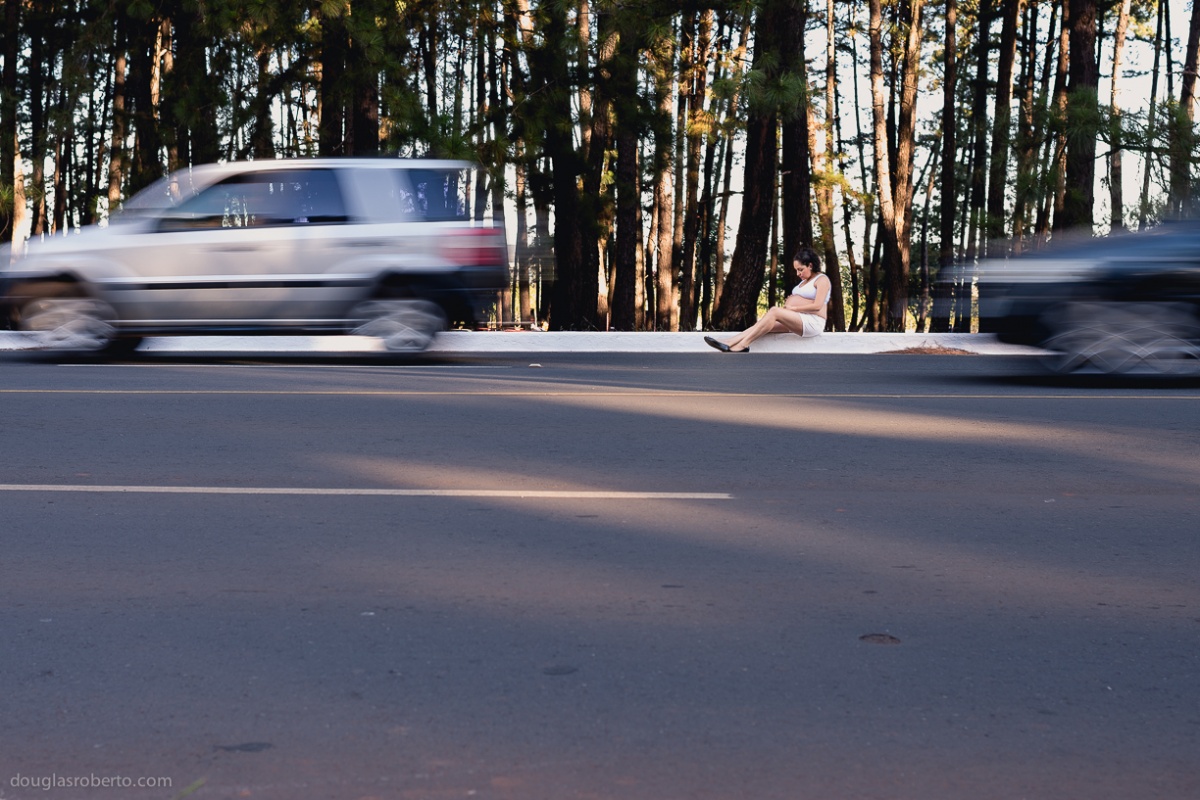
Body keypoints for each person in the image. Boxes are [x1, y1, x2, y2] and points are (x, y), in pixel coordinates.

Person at [704, 246, 830, 353]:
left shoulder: (821, 280)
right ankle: (729, 342)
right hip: (798, 319)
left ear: (811, 265)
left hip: (812, 322)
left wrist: (793, 307)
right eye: (796, 270)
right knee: (762, 324)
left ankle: (743, 345)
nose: (798, 274)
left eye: (800, 269)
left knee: (774, 311)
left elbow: (818, 306)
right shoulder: (805, 281)